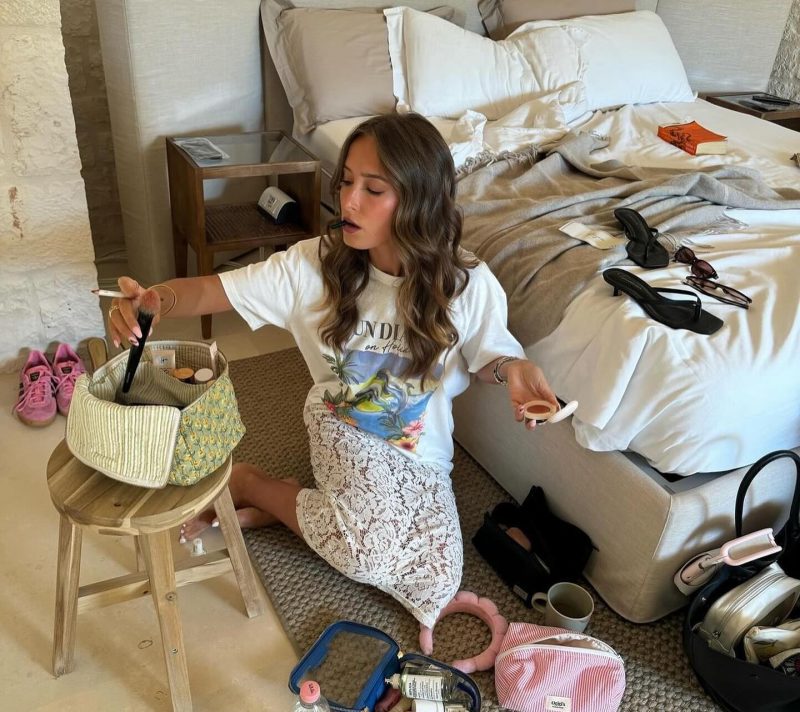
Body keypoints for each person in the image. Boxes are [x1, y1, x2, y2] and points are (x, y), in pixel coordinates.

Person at [107, 113, 557, 627]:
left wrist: (512, 369)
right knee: (365, 554)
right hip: (342, 421)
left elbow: (490, 358)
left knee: (437, 582)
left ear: (420, 200)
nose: (348, 201)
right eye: (345, 182)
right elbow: (212, 290)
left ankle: (307, 507)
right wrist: (154, 301)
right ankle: (253, 484)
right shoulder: (311, 266)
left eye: (373, 189)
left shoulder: (466, 283)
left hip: (422, 450)